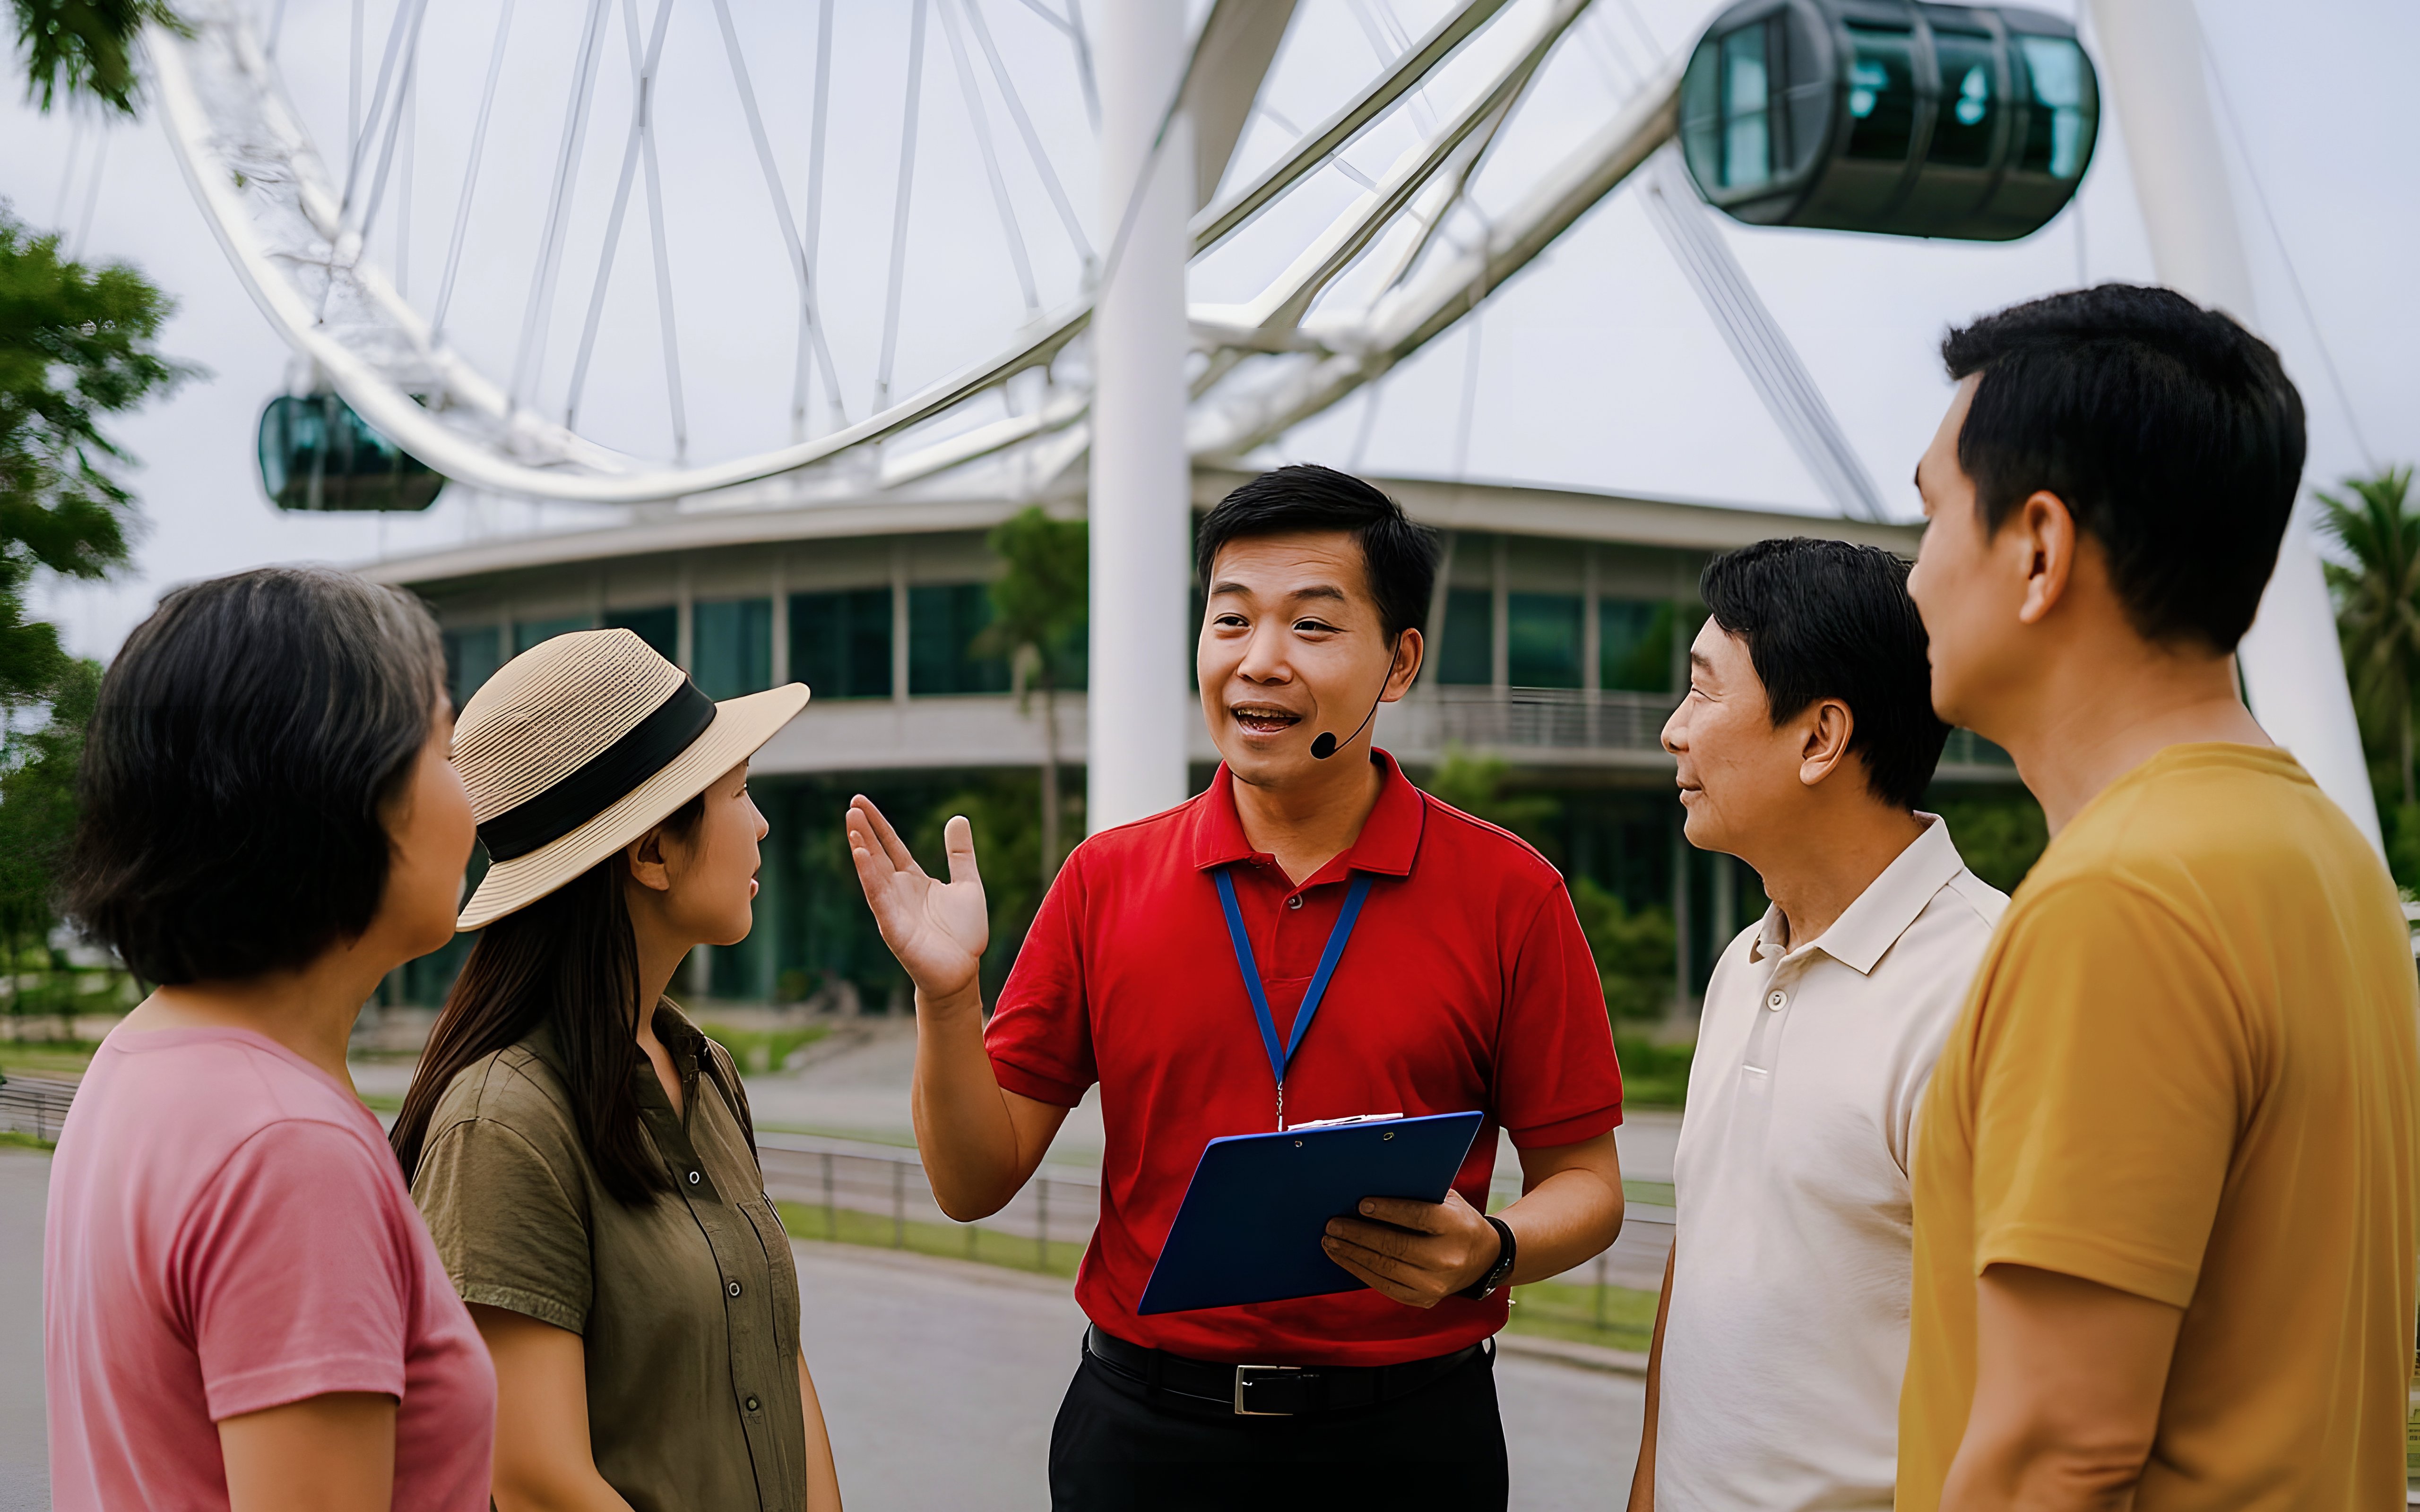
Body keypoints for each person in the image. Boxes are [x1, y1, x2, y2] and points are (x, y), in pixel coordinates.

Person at [847, 464, 1627, 1510]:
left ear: (1399, 663)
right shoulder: (1104, 879)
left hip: (1407, 1445)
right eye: (1230, 622)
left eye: (1312, 627)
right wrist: (948, 998)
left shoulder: (1511, 892)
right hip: (1146, 1439)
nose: (1259, 663)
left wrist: (1490, 1252)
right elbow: (970, 1183)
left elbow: (1589, 1184)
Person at [1897, 284, 2420, 1510]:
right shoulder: (2329, 855)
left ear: (2038, 548)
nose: (1912, 576)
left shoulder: (2121, 898)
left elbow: (2057, 1451)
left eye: (1928, 517)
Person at [44, 567, 496, 1512]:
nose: (472, 804)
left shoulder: (146, 1058)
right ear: (346, 791)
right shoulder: (289, 1151)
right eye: (445, 752)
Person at [389, 628, 840, 1512]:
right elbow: (532, 1479)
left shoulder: (705, 1074)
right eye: (737, 792)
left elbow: (778, 1363)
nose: (760, 822)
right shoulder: (504, 1125)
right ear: (651, 853)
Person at [1625, 538, 2005, 1512]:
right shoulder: (1740, 966)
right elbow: (1700, 1253)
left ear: (1819, 736)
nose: (1673, 731)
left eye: (1704, 693)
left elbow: (2033, 1384)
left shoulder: (1995, 984)